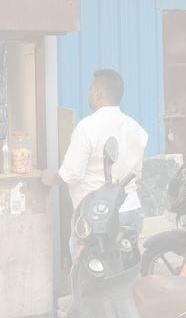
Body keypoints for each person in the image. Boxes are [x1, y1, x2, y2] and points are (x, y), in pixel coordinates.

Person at [43, 69, 149, 257]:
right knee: (124, 270)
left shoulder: (88, 126)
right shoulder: (137, 129)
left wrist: (52, 178)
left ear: (98, 93)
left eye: (91, 90)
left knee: (90, 274)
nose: (89, 94)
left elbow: (72, 172)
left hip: (97, 216)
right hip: (131, 209)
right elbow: (137, 173)